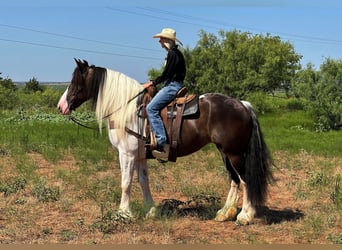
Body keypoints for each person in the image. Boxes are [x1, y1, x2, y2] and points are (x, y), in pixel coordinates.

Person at [144, 28, 186, 158]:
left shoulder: (173, 54)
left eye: (161, 39)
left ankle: (161, 142)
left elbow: (166, 74)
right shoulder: (175, 53)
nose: (159, 42)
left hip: (172, 86)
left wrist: (152, 83)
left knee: (150, 108)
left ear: (167, 40)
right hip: (173, 84)